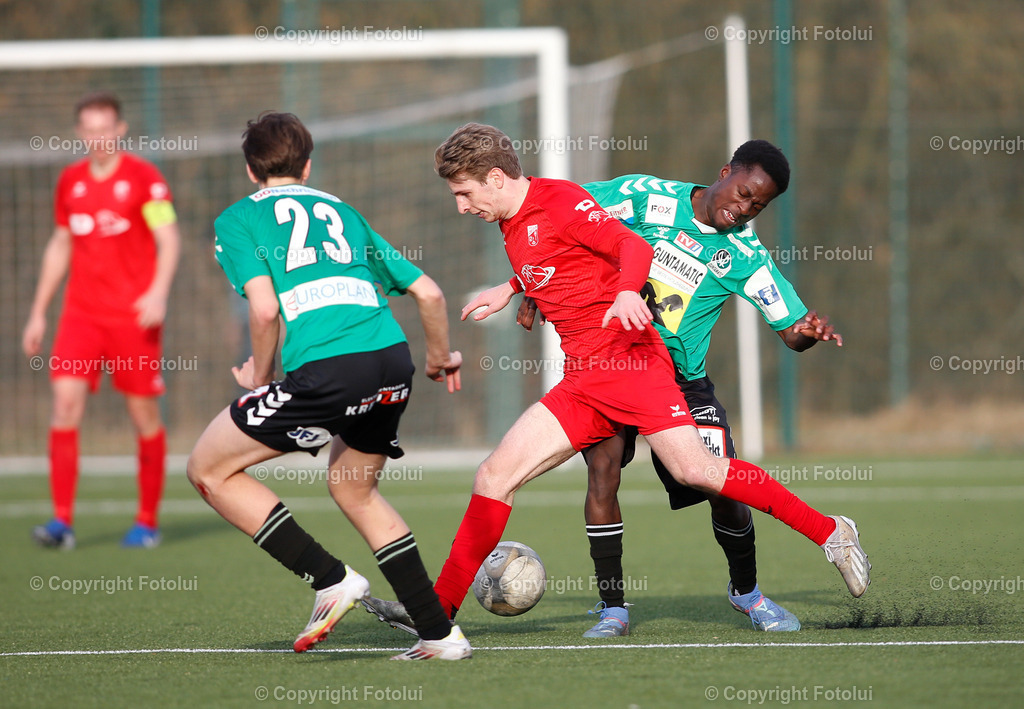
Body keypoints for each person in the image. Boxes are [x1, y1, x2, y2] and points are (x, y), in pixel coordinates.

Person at [362, 123, 869, 633]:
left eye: (464, 194)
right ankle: (436, 615)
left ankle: (830, 533)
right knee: (495, 476)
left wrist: (629, 292)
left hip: (632, 364)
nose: (462, 206)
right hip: (584, 378)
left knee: (701, 472)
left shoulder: (557, 200)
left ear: (495, 178)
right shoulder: (521, 218)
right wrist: (515, 288)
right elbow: (565, 253)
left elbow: (631, 247)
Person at [516, 141, 842, 637]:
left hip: (683, 385)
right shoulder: (644, 197)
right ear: (726, 171)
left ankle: (747, 594)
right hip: (616, 363)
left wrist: (809, 332)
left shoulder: (746, 255)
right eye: (745, 192)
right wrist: (529, 284)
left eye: (759, 205)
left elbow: (790, 330)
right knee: (603, 472)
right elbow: (560, 224)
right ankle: (613, 610)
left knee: (720, 483)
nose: (745, 208)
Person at [186, 112, 470, 660]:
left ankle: (330, 579)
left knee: (207, 469)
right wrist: (440, 359)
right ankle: (439, 634)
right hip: (391, 362)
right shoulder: (342, 210)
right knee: (354, 489)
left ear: (250, 170)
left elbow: (265, 310)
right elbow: (430, 294)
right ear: (308, 164)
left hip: (331, 371)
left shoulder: (238, 219)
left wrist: (259, 379)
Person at [23, 91, 181, 550]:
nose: (98, 139)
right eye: (89, 131)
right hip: (80, 316)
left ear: (121, 129)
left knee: (142, 414)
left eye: (105, 130)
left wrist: (157, 292)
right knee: (64, 405)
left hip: (134, 318)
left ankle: (147, 521)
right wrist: (37, 311)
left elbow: (168, 239)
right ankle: (61, 522)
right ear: (80, 133)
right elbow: (60, 244)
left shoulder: (144, 179)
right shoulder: (70, 182)